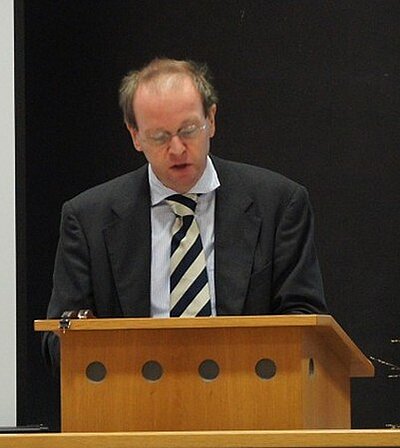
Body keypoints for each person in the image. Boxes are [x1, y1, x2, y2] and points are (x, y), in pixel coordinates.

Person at [43, 58, 328, 370]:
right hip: (133, 393)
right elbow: (56, 343)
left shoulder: (278, 204)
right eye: (159, 136)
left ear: (211, 120)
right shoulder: (88, 219)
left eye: (188, 130)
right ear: (135, 136)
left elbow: (306, 325)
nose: (177, 148)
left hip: (247, 390)